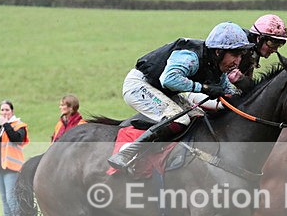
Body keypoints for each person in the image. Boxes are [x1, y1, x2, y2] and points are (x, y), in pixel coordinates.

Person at [107, 21, 254, 170]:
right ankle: (127, 153)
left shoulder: (217, 66)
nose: (238, 61)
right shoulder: (191, 56)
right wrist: (203, 88)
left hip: (161, 91)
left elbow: (229, 93)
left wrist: (244, 90)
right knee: (180, 119)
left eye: (240, 56)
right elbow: (168, 79)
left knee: (198, 117)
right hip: (139, 86)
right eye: (234, 55)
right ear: (218, 52)